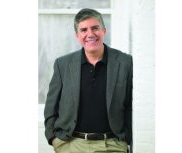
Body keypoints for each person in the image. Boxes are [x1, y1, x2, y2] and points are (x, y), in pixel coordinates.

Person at [44, 8, 133, 153]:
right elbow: (51, 107)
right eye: (84, 30)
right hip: (70, 145)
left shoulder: (125, 63)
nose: (90, 34)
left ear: (104, 30)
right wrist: (54, 139)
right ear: (77, 35)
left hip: (111, 145)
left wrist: (126, 138)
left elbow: (131, 105)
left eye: (95, 28)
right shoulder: (62, 64)